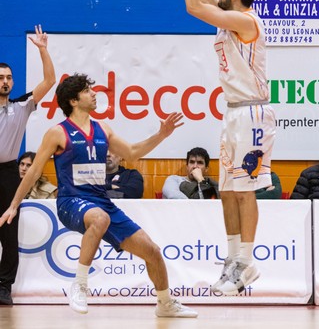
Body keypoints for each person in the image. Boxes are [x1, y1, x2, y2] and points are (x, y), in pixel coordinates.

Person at [135, 0, 276, 296]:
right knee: (227, 190)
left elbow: (192, 7)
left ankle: (247, 262)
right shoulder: (228, 16)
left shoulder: (247, 22)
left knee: (244, 190)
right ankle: (233, 260)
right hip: (234, 113)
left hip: (253, 113)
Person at [0, 73, 197, 318]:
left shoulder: (102, 128)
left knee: (153, 252)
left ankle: (165, 303)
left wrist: (161, 135)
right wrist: (14, 205)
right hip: (70, 201)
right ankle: (80, 285)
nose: (94, 94)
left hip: (101, 203)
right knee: (100, 218)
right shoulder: (57, 133)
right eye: (87, 91)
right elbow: (34, 172)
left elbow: (132, 153)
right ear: (73, 101)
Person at [0, 24, 55, 306]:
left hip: (8, 173)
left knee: (9, 233)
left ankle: (3, 287)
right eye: (0, 78)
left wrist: (43, 50)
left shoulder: (21, 106)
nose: (5, 82)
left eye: (9, 78)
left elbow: (50, 80)